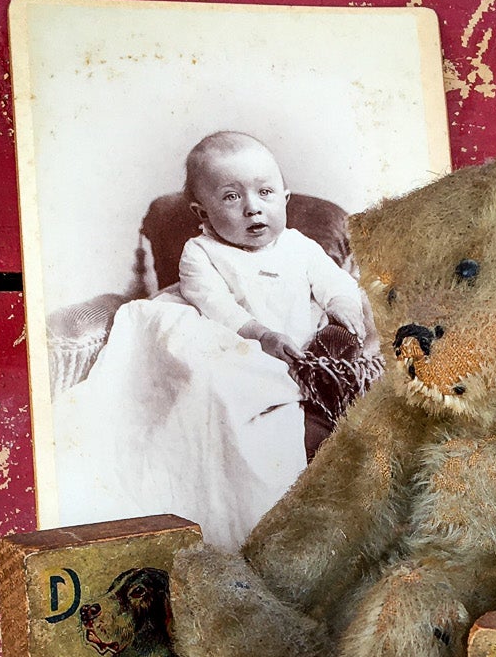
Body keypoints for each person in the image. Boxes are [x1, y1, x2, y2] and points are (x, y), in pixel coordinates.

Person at [51, 132, 376, 552]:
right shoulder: (200, 252)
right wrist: (261, 335)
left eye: (265, 193)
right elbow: (217, 306)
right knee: (213, 385)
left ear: (285, 197)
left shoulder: (299, 247)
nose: (252, 207)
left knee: (288, 399)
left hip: (291, 345)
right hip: (228, 335)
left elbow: (335, 283)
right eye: (230, 197)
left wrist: (343, 305)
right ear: (201, 212)